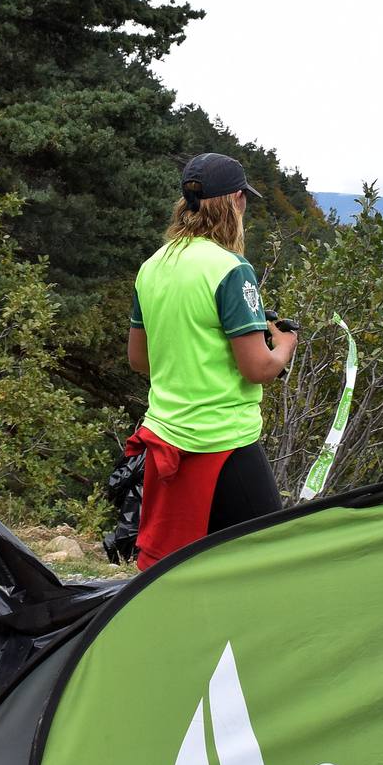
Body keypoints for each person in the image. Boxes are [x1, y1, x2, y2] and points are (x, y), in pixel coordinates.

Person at [125, 153, 297, 570]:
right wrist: (285, 344)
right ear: (236, 200)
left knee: (182, 566)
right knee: (267, 560)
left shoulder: (152, 266)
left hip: (167, 434)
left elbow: (138, 359)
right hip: (224, 440)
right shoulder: (231, 269)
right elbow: (257, 368)